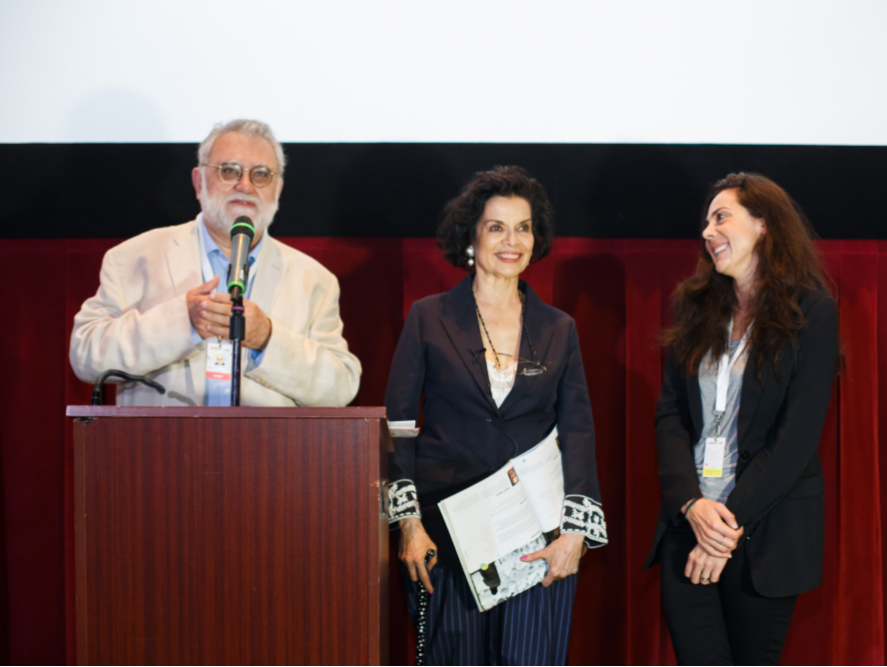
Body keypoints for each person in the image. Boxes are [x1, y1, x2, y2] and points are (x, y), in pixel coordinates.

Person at [385, 166, 607, 666]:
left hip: (535, 537)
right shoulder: (428, 317)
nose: (512, 240)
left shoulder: (559, 329)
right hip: (446, 535)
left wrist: (575, 532)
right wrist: (408, 523)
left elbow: (578, 431)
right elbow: (397, 427)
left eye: (523, 227)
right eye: (496, 227)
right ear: (472, 235)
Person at [644, 173, 839, 666]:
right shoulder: (693, 307)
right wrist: (691, 505)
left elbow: (797, 437)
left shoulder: (812, 312)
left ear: (764, 225)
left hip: (763, 538)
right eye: (706, 222)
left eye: (721, 217)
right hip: (689, 526)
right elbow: (670, 414)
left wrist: (724, 530)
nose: (708, 232)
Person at [69, 119, 361, 407]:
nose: (245, 185)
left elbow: (340, 386)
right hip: (159, 449)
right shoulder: (133, 258)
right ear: (199, 182)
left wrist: (267, 338)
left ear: (278, 189)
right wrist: (183, 322)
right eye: (229, 170)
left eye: (261, 174)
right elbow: (85, 355)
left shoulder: (314, 280)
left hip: (267, 452)